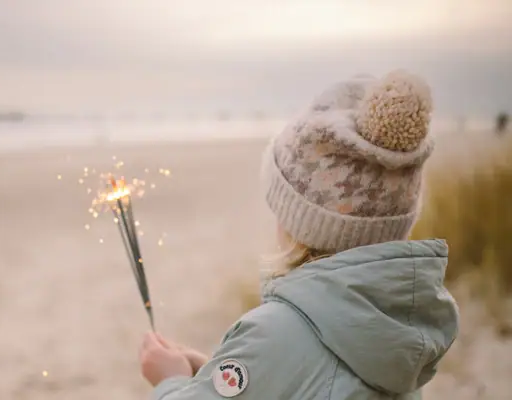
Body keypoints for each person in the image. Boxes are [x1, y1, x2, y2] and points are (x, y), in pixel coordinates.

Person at [139, 70, 459, 399]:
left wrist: (171, 382)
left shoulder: (274, 334)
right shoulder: (401, 327)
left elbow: (292, 360)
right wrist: (214, 373)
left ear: (300, 222)